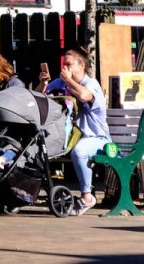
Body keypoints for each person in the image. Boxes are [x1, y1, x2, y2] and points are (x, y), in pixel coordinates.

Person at [53, 47, 109, 209]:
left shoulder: (91, 84)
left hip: (97, 138)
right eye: (64, 64)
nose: (65, 68)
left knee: (80, 151)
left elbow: (85, 96)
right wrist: (43, 84)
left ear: (81, 65)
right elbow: (39, 97)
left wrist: (69, 82)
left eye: (68, 64)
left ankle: (87, 197)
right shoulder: (61, 82)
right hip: (69, 138)